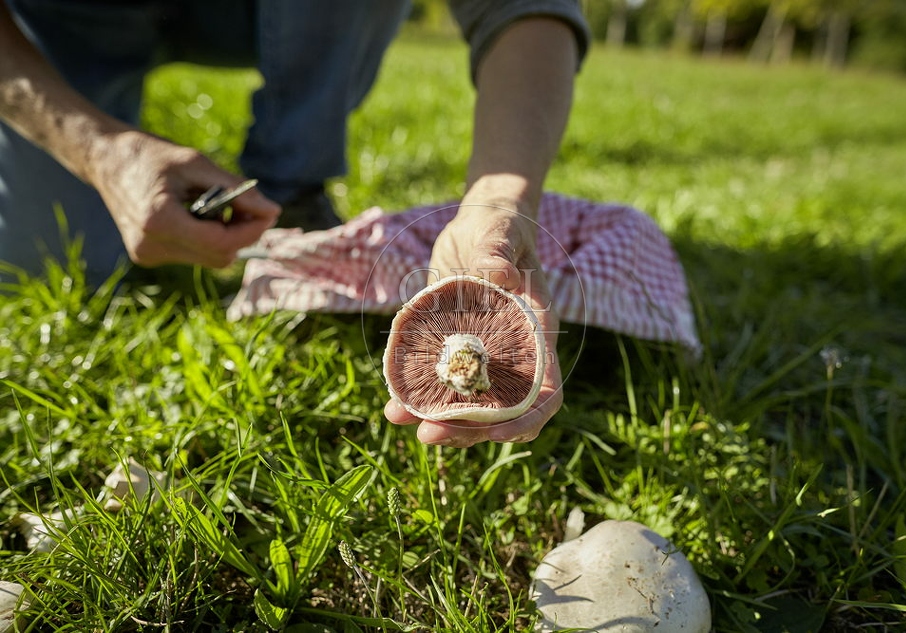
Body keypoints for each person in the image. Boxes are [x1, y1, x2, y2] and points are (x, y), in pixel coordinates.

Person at [0, 0, 590, 447]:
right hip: (61, 16)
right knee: (41, 257)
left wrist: (495, 199)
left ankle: (293, 186)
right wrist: (95, 151)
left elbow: (526, 8)